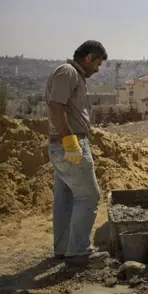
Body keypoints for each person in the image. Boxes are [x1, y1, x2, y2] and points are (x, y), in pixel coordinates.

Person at [46, 40, 109, 267]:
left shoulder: (73, 74)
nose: (97, 69)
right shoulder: (68, 72)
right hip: (70, 144)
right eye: (98, 63)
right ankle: (79, 252)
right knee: (89, 196)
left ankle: (64, 249)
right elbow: (56, 107)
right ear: (89, 57)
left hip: (64, 144)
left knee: (66, 199)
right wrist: (70, 141)